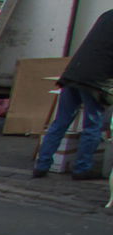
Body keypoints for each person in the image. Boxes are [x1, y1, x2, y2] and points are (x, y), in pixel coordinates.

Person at [33, 10, 111, 181]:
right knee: (92, 125)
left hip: (73, 74)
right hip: (95, 81)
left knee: (60, 122)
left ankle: (41, 165)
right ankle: (82, 168)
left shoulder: (106, 15)